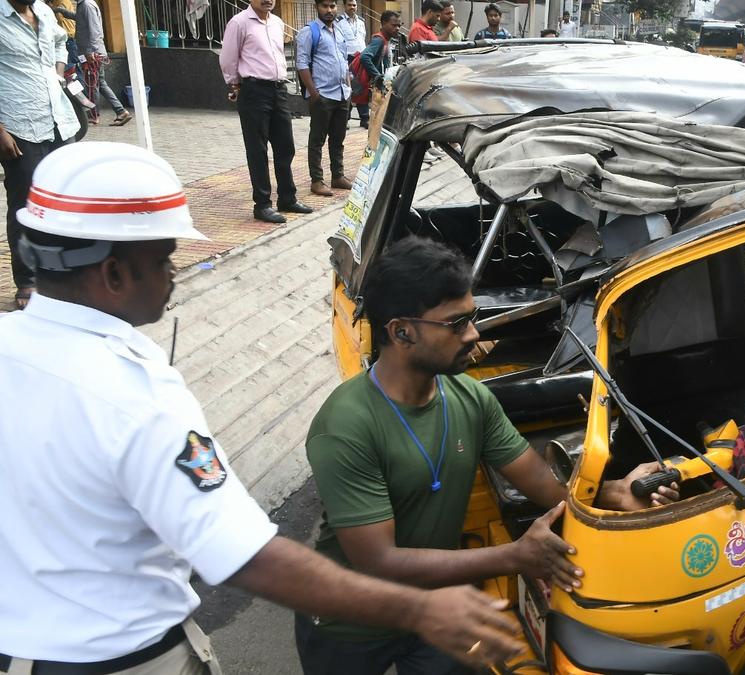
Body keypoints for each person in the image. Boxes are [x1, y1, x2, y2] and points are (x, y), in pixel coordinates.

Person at [0, 142, 524, 675]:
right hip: (123, 660)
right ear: (113, 274)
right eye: (162, 260)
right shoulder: (133, 395)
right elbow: (241, 554)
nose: (174, 274)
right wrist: (421, 609)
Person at [296, 237, 677, 673]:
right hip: (349, 625)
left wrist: (614, 493)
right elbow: (379, 561)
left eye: (472, 317)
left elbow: (540, 484)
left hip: (434, 608)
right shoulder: (345, 426)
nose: (474, 334)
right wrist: (513, 556)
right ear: (402, 331)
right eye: (456, 324)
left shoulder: (471, 399)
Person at [1, 0, 81, 310]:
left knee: (65, 197)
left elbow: (61, 43)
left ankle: (63, 273)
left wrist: (58, 73)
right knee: (26, 205)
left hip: (60, 119)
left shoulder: (46, 13)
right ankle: (28, 280)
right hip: (19, 125)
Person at [219, 0, 312, 224]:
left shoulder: (277, 23)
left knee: (285, 146)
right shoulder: (239, 23)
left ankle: (287, 198)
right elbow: (228, 57)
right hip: (254, 90)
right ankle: (262, 204)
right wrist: (235, 85)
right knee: (257, 149)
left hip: (278, 89)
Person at [297, 0, 353, 198]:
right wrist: (313, 93)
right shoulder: (309, 31)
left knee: (338, 138)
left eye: (332, 6)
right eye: (325, 6)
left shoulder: (339, 30)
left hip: (342, 94)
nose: (329, 10)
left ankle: (338, 176)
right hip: (323, 95)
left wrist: (348, 85)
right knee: (317, 140)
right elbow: (302, 63)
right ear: (317, 7)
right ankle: (317, 180)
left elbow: (344, 61)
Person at [74, 0, 131, 126]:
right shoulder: (85, 5)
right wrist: (61, 12)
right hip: (94, 52)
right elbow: (79, 18)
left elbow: (94, 31)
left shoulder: (87, 5)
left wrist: (90, 52)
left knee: (92, 85)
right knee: (99, 83)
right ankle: (120, 111)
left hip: (93, 54)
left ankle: (94, 115)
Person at [337, 0, 368, 127]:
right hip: (347, 59)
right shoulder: (339, 22)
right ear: (344, 6)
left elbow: (363, 38)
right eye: (349, 5)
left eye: (354, 5)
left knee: (363, 87)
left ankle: (365, 118)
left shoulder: (361, 22)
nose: (352, 7)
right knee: (347, 88)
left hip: (361, 58)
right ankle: (345, 119)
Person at [360, 10, 400, 89]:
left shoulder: (387, 39)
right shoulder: (379, 40)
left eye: (399, 26)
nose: (397, 28)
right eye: (394, 25)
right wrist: (378, 76)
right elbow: (364, 57)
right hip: (374, 90)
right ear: (384, 24)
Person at [45, 0, 80, 81]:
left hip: (68, 39)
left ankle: (77, 90)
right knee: (73, 68)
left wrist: (51, 9)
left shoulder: (63, 2)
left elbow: (60, 18)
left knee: (72, 68)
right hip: (68, 38)